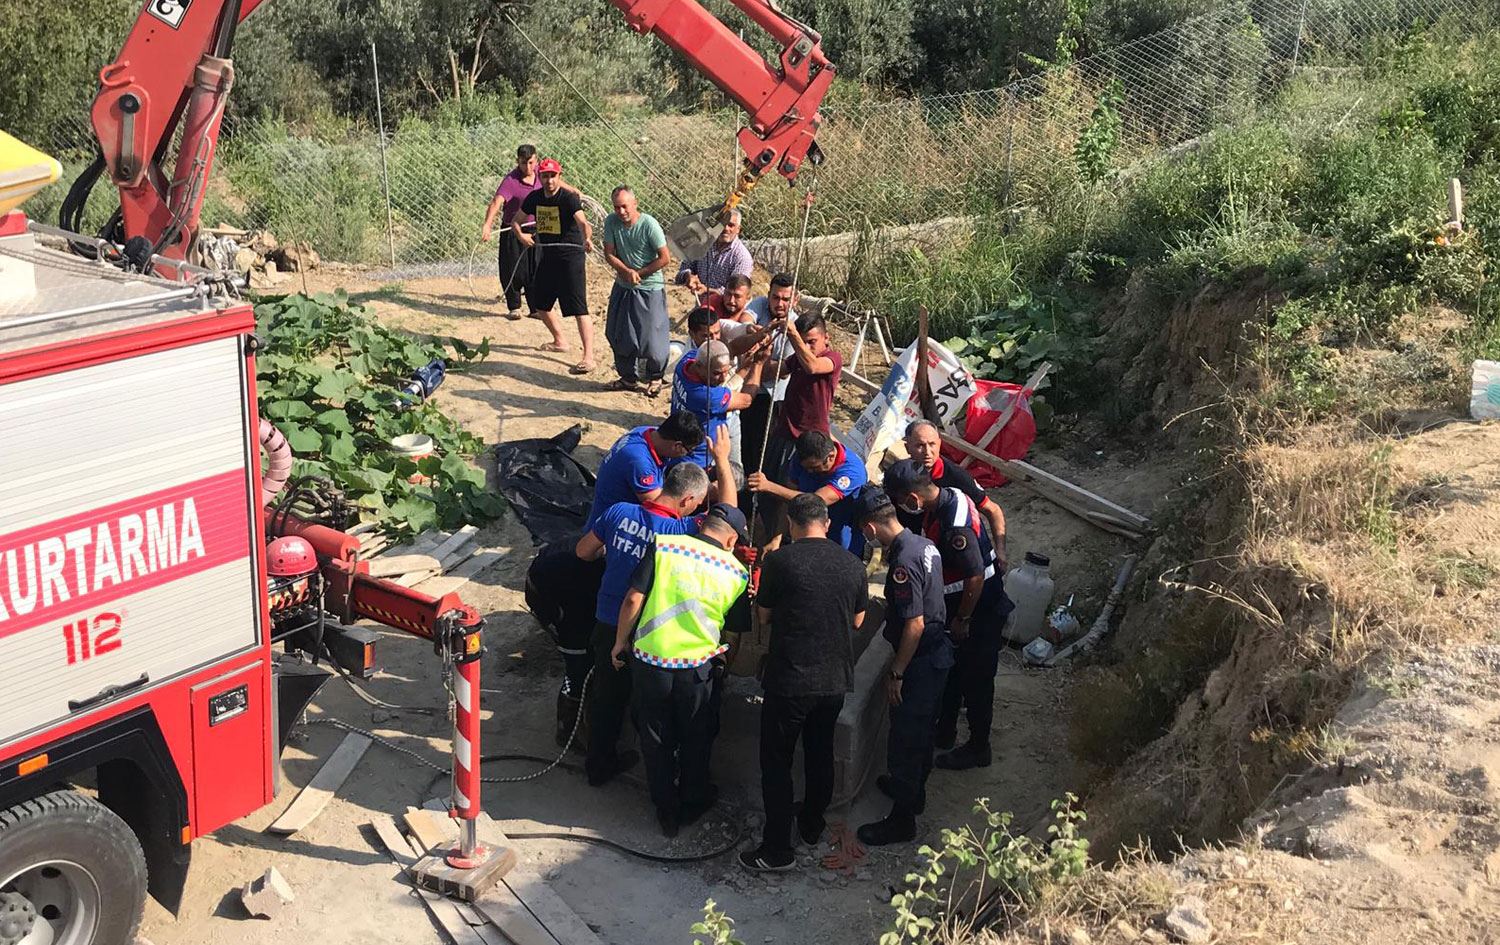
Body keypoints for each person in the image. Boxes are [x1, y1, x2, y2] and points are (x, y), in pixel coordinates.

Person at [575, 437, 735, 787]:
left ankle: (598, 766)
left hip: (606, 619)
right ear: (689, 500)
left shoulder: (617, 512)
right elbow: (728, 515)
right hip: (649, 631)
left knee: (606, 699)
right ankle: (666, 779)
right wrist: (722, 460)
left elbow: (584, 552)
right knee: (653, 710)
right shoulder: (681, 531)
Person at [739, 494, 868, 871]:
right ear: (826, 524)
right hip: (833, 680)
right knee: (819, 754)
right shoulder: (852, 564)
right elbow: (859, 621)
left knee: (776, 763)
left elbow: (763, 616)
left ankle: (777, 850)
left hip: (790, 679)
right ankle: (811, 826)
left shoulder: (780, 561)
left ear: (792, 526)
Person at [612, 506, 752, 836]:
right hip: (697, 670)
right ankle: (693, 800)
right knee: (696, 737)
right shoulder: (736, 572)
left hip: (650, 662)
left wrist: (620, 641)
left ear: (703, 525)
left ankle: (666, 811)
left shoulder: (664, 546)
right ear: (731, 538)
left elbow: (634, 599)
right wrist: (724, 667)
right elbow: (733, 634)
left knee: (655, 737)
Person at [883, 460, 1014, 770]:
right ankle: (945, 732)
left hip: (980, 612)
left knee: (977, 680)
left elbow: (975, 575)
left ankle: (979, 747)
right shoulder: (948, 495)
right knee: (955, 674)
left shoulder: (955, 527)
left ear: (913, 500)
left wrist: (963, 619)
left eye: (901, 503)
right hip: (966, 608)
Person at [854, 487, 953, 846]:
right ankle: (912, 793)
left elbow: (914, 623)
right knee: (922, 735)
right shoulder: (921, 544)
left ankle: (902, 820)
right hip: (936, 655)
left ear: (869, 529)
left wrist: (896, 672)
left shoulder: (903, 562)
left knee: (906, 740)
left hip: (921, 661)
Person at [524, 535, 605, 750]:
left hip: (558, 591)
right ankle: (569, 731)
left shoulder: (591, 546)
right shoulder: (578, 579)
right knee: (579, 668)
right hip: (560, 605)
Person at [516, 158, 595, 375]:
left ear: (559, 176)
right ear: (539, 178)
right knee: (540, 304)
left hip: (571, 257)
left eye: (553, 175)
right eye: (545, 176)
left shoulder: (568, 198)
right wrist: (521, 235)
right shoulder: (535, 198)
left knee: (579, 308)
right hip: (548, 256)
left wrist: (586, 238)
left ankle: (588, 357)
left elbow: (582, 222)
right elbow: (516, 220)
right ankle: (560, 340)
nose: (549, 180)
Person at [902, 420, 1008, 567]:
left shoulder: (957, 477)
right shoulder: (901, 476)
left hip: (955, 558)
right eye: (920, 445)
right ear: (907, 447)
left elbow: (992, 509)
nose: (927, 452)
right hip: (915, 558)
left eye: (932, 444)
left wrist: (1001, 551)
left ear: (940, 443)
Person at [603, 186, 672, 396]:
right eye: (617, 207)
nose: (621, 211)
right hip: (624, 285)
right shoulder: (611, 222)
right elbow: (609, 253)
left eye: (625, 206)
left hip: (649, 287)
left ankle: (655, 377)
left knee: (653, 336)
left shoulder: (649, 225)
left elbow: (665, 258)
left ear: (635, 204)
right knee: (618, 331)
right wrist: (625, 271)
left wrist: (640, 273)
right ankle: (628, 377)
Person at [748, 429, 867, 551]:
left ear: (830, 457)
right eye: (806, 468)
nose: (809, 471)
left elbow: (815, 501)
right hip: (808, 529)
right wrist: (777, 539)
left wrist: (769, 486)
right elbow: (788, 499)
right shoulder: (801, 460)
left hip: (841, 534)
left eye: (814, 467)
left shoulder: (852, 472)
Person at [585, 411, 705, 529]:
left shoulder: (646, 432)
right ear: (677, 446)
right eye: (689, 450)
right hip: (610, 530)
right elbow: (662, 510)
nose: (688, 455)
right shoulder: (639, 461)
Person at [671, 338, 767, 470]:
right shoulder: (706, 395)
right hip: (700, 459)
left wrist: (759, 336)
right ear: (699, 366)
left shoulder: (687, 360)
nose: (722, 379)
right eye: (716, 373)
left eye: (726, 371)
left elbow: (730, 349)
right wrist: (758, 364)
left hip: (682, 443)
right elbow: (746, 400)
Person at [675, 208, 753, 295]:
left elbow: (737, 293)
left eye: (731, 225)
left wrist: (707, 290)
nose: (725, 228)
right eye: (722, 223)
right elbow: (683, 270)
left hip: (725, 307)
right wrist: (688, 276)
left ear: (738, 229)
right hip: (702, 305)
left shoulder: (742, 257)